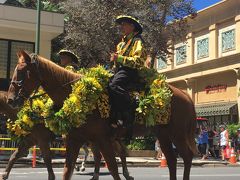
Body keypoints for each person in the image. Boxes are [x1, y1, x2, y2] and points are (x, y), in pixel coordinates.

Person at [108, 15, 147, 143]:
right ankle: (113, 117)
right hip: (120, 71)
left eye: (124, 24)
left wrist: (118, 59)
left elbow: (138, 61)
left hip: (131, 71)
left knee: (114, 86)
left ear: (132, 26)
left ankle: (129, 109)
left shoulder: (137, 41)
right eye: (121, 24)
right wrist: (114, 61)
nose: (122, 27)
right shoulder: (121, 44)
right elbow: (117, 63)